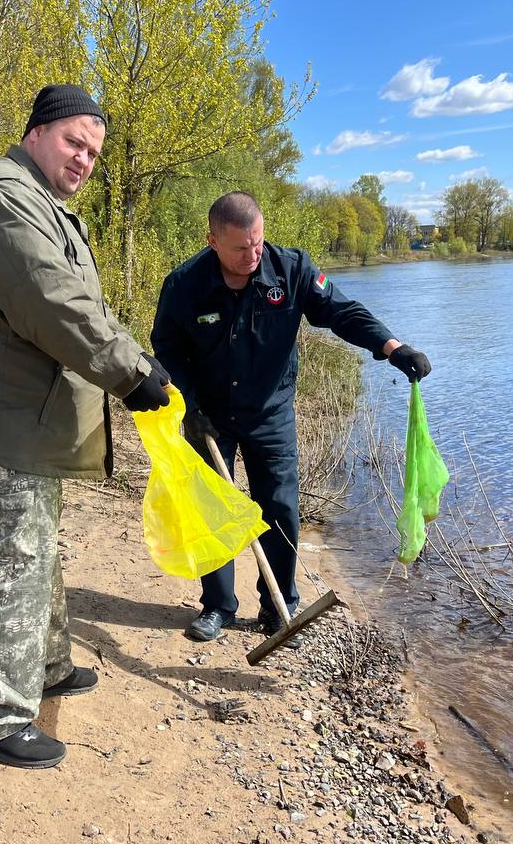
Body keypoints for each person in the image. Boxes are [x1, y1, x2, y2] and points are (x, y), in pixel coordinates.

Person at [0, 84, 170, 769]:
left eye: (93, 152)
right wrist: (128, 373)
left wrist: (141, 360)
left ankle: (46, 666)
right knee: (13, 563)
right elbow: (50, 302)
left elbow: (82, 302)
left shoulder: (42, 203)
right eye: (73, 142)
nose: (84, 159)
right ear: (36, 133)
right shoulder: (5, 197)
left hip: (25, 424)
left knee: (39, 551)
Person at [150, 191, 430, 643]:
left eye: (257, 243)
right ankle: (218, 605)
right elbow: (166, 348)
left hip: (271, 413)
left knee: (280, 507)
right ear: (213, 241)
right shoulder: (184, 284)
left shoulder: (291, 269)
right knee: (211, 508)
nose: (252, 255)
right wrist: (191, 407)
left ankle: (279, 607)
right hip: (208, 415)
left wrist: (392, 348)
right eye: (240, 248)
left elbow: (342, 312)